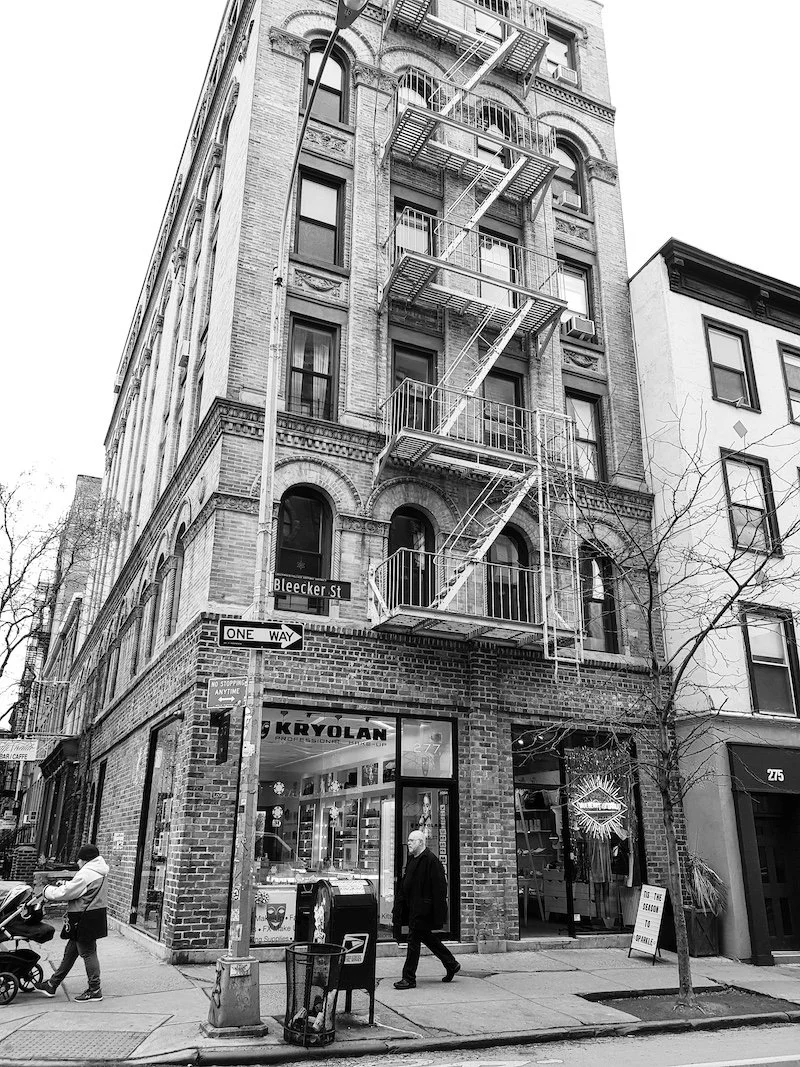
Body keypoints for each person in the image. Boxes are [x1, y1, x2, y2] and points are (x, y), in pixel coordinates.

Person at [37, 843, 109, 1002]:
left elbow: (66, 893)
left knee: (88, 952)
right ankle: (53, 983)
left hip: (83, 917)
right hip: (93, 915)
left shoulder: (87, 873)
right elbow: (81, 889)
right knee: (70, 952)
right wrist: (66, 883)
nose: (77, 862)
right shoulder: (100, 871)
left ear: (86, 860)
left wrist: (47, 891)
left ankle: (95, 989)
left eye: (80, 859)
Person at [392, 829, 460, 989]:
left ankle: (409, 978)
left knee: (413, 941)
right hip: (413, 908)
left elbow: (440, 888)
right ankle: (451, 964)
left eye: (412, 841)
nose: (408, 843)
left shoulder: (431, 860)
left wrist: (434, 911)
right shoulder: (412, 859)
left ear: (421, 842)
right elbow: (406, 884)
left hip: (423, 910)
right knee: (427, 938)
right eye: (408, 840)